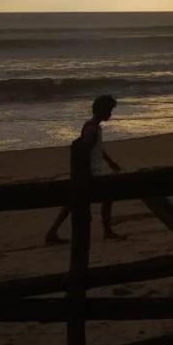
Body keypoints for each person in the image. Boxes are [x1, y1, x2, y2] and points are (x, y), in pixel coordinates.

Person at [45, 94, 125, 243]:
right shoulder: (92, 129)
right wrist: (86, 173)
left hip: (90, 172)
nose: (110, 114)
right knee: (107, 197)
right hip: (92, 174)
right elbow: (85, 150)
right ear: (102, 110)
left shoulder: (91, 126)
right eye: (109, 110)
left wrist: (110, 162)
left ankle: (52, 232)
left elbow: (96, 149)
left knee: (71, 203)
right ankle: (107, 231)